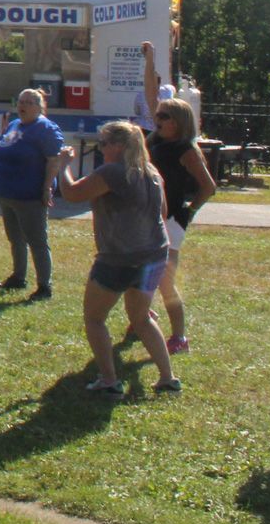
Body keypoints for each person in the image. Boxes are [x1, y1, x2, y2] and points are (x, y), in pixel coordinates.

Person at [58, 121, 179, 396]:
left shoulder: (113, 172)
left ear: (119, 146)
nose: (101, 149)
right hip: (154, 255)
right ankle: (168, 378)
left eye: (104, 143)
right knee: (141, 318)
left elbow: (72, 193)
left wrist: (61, 166)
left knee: (94, 319)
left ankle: (110, 381)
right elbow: (162, 213)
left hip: (118, 258)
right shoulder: (151, 173)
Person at [142, 50, 216, 354]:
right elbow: (149, 94)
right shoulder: (157, 139)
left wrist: (188, 212)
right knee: (141, 269)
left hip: (172, 219)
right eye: (157, 116)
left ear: (179, 122)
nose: (157, 120)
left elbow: (208, 187)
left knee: (165, 280)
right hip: (150, 214)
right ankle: (143, 316)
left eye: (164, 117)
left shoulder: (187, 149)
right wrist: (150, 61)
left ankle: (179, 336)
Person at [0, 89, 67, 300]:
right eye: (20, 102)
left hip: (30, 195)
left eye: (27, 102)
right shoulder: (15, 125)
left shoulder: (46, 128)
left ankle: (44, 286)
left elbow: (54, 160)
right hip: (7, 192)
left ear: (39, 106)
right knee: (15, 238)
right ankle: (18, 276)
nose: (22, 106)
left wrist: (46, 188)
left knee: (37, 241)